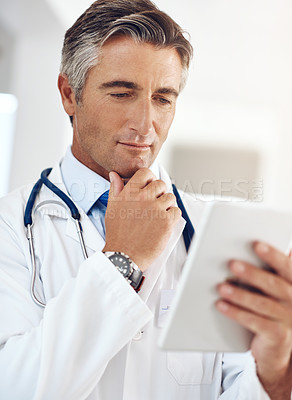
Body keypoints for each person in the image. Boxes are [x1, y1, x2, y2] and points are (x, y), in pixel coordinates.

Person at [0, 0, 292, 399]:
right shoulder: (12, 227)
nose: (145, 123)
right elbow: (14, 387)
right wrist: (123, 260)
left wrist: (274, 372)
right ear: (70, 94)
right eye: (122, 93)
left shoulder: (210, 231)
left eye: (163, 98)